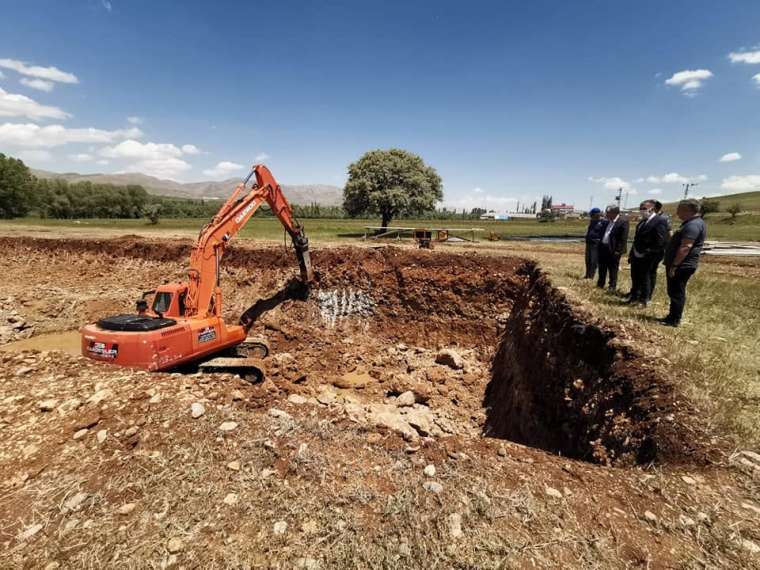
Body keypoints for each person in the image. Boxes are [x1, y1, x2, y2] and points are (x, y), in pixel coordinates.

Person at [659, 199, 707, 327]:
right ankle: (672, 316)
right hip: (680, 264)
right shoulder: (690, 223)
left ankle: (674, 319)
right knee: (674, 291)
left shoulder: (693, 225)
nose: (677, 213)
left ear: (688, 210)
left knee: (676, 292)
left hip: (682, 265)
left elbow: (686, 247)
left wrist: (675, 265)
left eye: (679, 210)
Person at [625, 200, 669, 306]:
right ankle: (634, 296)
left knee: (645, 277)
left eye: (644, 208)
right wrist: (632, 254)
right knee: (635, 276)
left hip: (649, 255)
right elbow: (636, 239)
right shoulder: (642, 222)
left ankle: (644, 299)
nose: (642, 211)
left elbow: (660, 241)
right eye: (641, 208)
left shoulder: (660, 221)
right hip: (637, 254)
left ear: (652, 209)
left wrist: (649, 252)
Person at [596, 205, 629, 291]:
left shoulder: (622, 222)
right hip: (603, 248)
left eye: (608, 212)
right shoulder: (607, 221)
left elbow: (623, 238)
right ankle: (600, 283)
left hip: (614, 250)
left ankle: (612, 286)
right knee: (602, 267)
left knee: (613, 268)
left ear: (614, 213)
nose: (606, 214)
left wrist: (618, 251)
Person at [647, 200, 672, 300]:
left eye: (649, 207)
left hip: (656, 250)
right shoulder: (650, 217)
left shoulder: (664, 218)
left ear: (655, 208)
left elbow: (669, 233)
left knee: (650, 271)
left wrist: (667, 248)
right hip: (647, 249)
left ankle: (648, 294)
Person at [584, 207, 605, 279]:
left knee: (593, 261)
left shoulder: (602, 222)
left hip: (595, 244)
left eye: (592, 215)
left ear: (597, 214)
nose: (591, 216)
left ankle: (591, 276)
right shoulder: (592, 222)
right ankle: (587, 274)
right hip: (589, 243)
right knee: (587, 260)